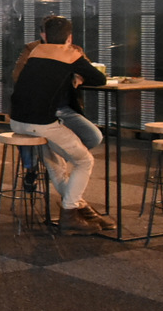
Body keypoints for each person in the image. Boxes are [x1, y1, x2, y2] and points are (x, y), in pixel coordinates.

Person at [9, 16, 112, 235]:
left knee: (56, 164)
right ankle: (69, 215)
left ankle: (79, 208)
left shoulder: (36, 52)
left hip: (17, 121)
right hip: (41, 123)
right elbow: (99, 79)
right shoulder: (71, 54)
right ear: (69, 38)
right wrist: (78, 74)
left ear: (44, 36)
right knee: (84, 161)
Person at [11, 14, 104, 184]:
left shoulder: (73, 51)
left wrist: (79, 77)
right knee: (33, 130)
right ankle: (33, 169)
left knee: (93, 136)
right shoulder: (33, 50)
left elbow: (90, 72)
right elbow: (18, 76)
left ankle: (55, 161)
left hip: (64, 108)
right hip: (39, 112)